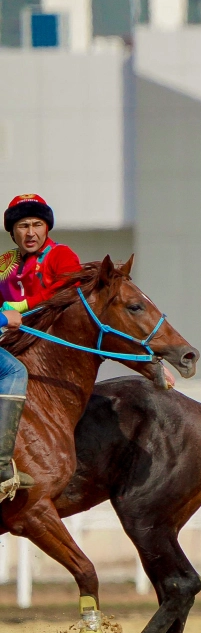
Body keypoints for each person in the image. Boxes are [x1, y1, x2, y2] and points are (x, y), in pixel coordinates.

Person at [0, 194, 83, 490]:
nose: (31, 232)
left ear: (47, 228)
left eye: (37, 224)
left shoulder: (61, 255)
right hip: (13, 340)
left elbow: (70, 288)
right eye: (23, 226)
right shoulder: (4, 264)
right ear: (13, 232)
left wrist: (23, 305)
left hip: (52, 346)